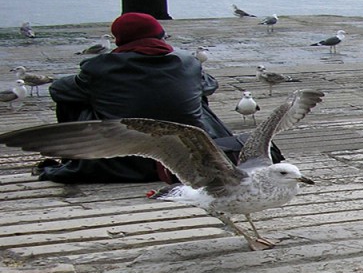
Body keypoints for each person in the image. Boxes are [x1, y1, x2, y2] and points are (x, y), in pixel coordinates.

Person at [41, 12, 236, 183]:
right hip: (185, 153)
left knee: (73, 99)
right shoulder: (188, 62)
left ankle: (75, 155)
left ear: (120, 39)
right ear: (160, 35)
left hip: (118, 162)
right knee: (197, 96)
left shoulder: (99, 67)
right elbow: (210, 85)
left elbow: (58, 90)